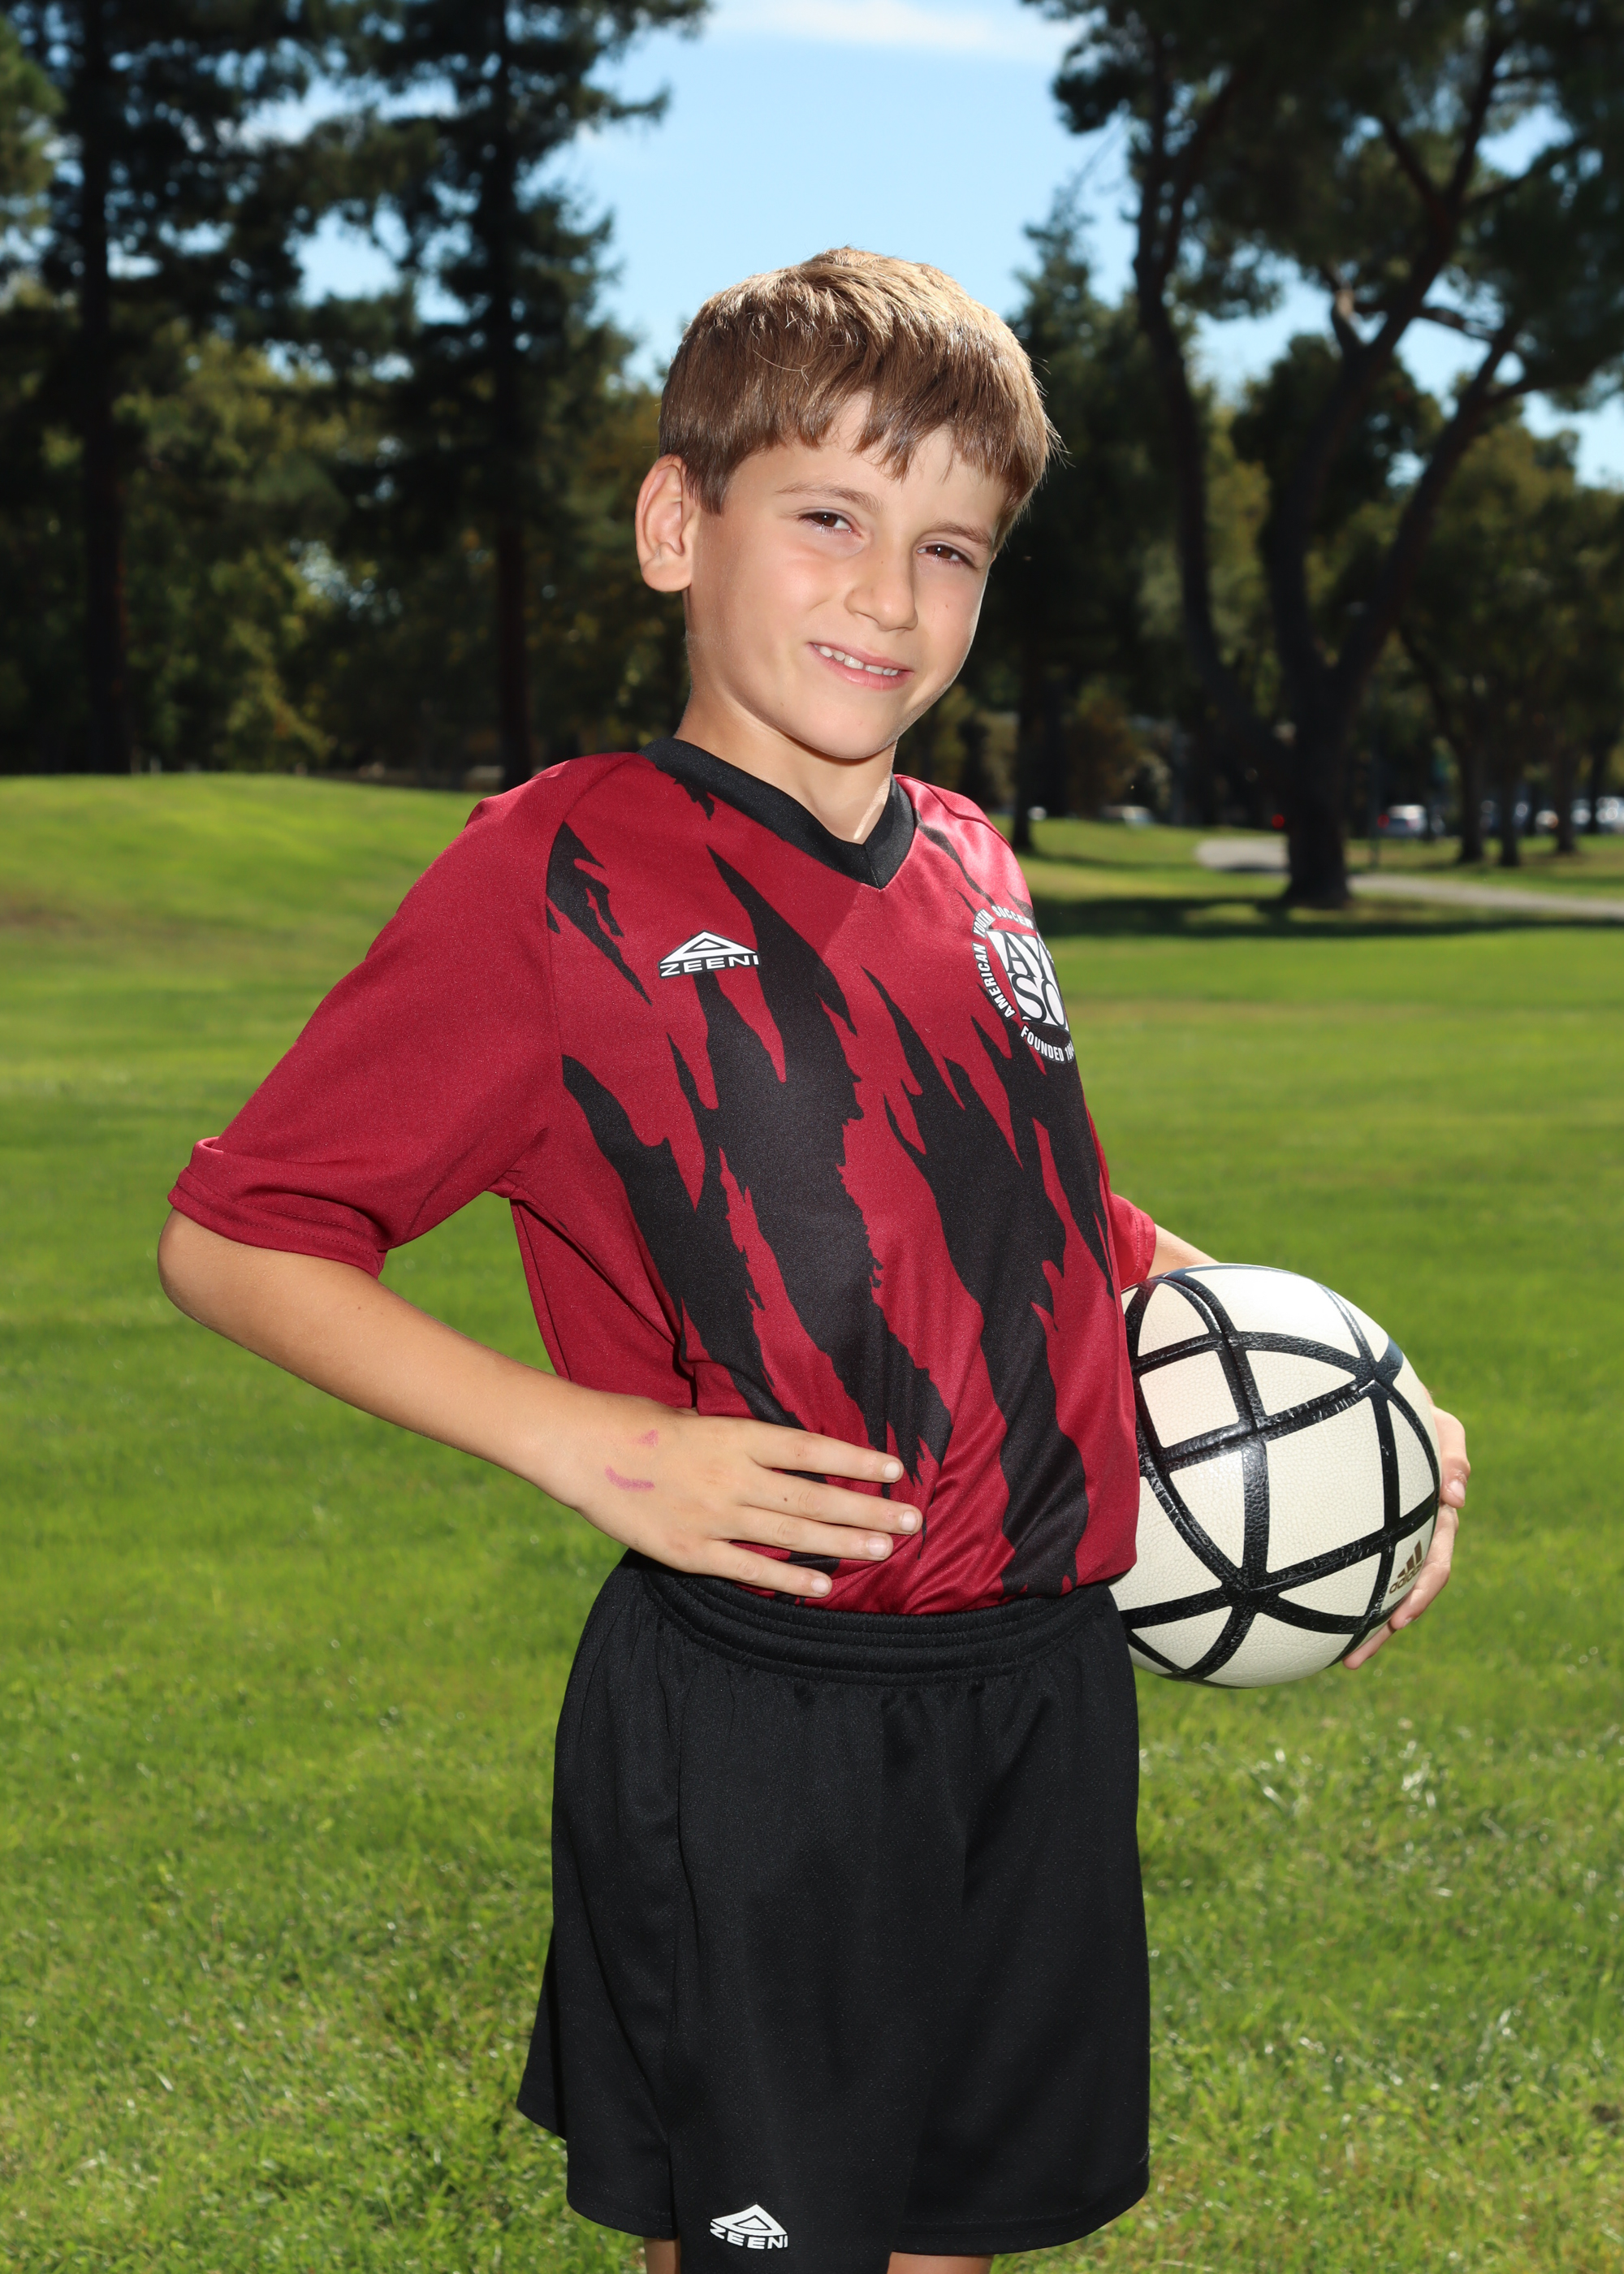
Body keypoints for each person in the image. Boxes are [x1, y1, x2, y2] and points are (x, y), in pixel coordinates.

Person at [158, 248, 1469, 2274]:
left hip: (1041, 1690)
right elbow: (238, 1237)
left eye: (948, 547)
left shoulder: (969, 859)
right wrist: (592, 1443)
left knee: (952, 2239)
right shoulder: (556, 875)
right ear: (677, 526)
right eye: (832, 518)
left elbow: (1054, 1219)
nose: (890, 594)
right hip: (765, 1712)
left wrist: (1342, 1392)